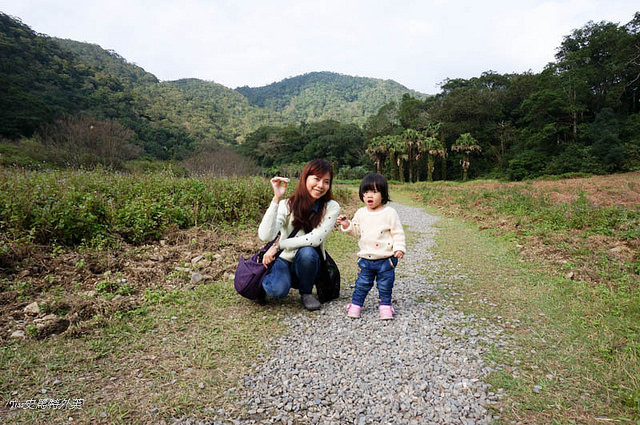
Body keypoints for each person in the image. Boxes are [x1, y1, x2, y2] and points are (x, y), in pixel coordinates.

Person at [258, 159, 340, 311]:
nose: (321, 185)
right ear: (305, 178)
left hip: (308, 261)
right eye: (316, 179)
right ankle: (265, 282)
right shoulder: (287, 204)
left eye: (326, 181)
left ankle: (306, 292)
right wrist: (276, 199)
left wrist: (278, 245)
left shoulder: (331, 207)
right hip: (283, 259)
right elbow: (265, 235)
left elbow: (315, 239)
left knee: (307, 253)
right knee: (276, 290)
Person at [337, 173, 406, 320]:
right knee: (362, 284)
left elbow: (397, 232)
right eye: (366, 192)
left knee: (385, 285)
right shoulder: (361, 213)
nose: (369, 196)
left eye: (374, 192)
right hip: (365, 259)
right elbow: (355, 230)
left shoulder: (389, 213)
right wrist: (347, 224)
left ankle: (385, 308)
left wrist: (398, 248)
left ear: (383, 194)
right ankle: (356, 306)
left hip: (385, 259)